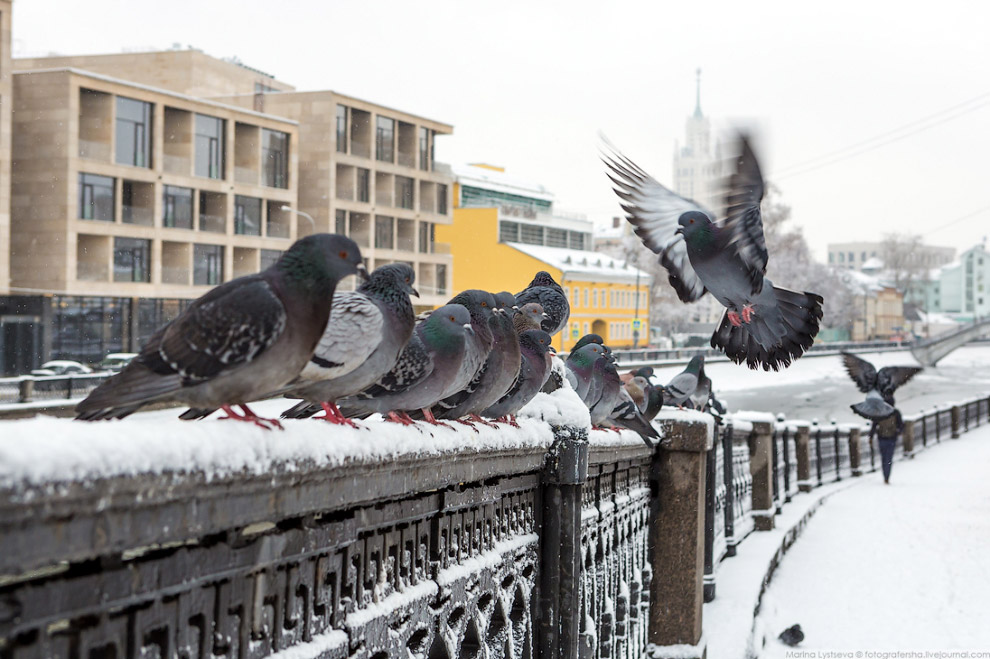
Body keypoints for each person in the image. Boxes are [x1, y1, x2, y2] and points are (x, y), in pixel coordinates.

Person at [870, 406, 904, 484]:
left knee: (884, 457)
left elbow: (874, 425)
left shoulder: (880, 412)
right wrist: (898, 432)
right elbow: (901, 426)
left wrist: (871, 436)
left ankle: (885, 475)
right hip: (891, 438)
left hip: (882, 438)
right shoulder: (895, 412)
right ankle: (887, 476)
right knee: (889, 458)